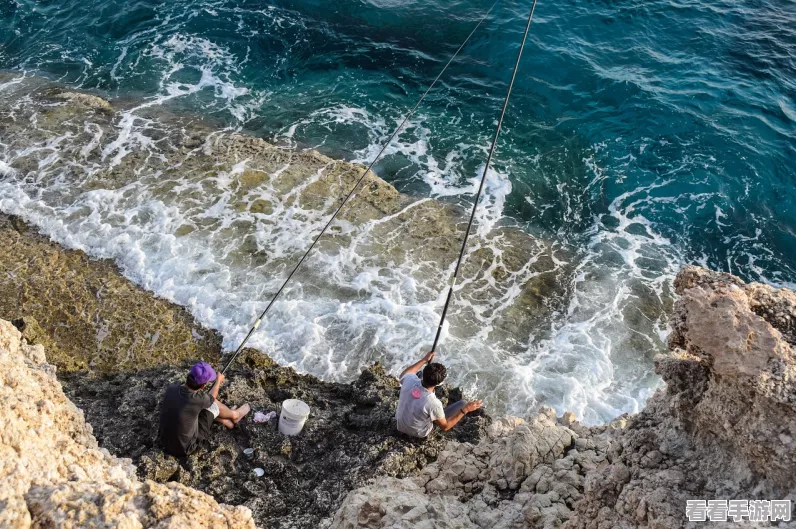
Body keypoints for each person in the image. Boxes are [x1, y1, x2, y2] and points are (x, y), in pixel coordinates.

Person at [159, 362, 251, 457]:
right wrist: (218, 381)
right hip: (187, 448)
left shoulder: (171, 388)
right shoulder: (197, 399)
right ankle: (235, 415)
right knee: (214, 405)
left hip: (165, 442)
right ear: (203, 386)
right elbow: (212, 398)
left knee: (193, 411)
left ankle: (225, 421)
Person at [395, 351, 482, 438]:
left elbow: (405, 374)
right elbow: (445, 427)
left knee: (418, 374)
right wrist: (465, 409)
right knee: (462, 403)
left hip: (400, 425)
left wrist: (424, 360)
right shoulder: (434, 403)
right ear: (439, 383)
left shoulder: (409, 379)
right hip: (419, 432)